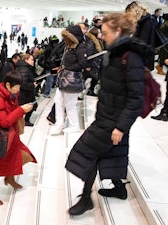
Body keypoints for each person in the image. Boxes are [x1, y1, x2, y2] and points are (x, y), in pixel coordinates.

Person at [65, 12, 153, 216]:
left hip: (113, 119)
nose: (101, 36)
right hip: (107, 115)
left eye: (104, 33)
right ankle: (119, 189)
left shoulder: (130, 57)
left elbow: (135, 98)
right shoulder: (115, 53)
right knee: (111, 153)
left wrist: (121, 127)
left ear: (118, 31)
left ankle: (86, 198)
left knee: (88, 153)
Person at [0, 72, 37, 205]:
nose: (19, 90)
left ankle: (9, 177)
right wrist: (21, 111)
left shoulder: (10, 95)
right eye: (17, 87)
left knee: (16, 156)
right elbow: (3, 122)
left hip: (11, 135)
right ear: (8, 85)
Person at [49, 25, 87, 135]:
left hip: (71, 79)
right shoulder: (69, 46)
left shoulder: (80, 47)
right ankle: (59, 124)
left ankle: (74, 125)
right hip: (64, 78)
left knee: (69, 104)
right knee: (58, 101)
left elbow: (82, 63)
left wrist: (67, 68)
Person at [16, 54, 38, 126]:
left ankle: (25, 121)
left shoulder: (25, 68)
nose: (33, 61)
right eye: (31, 60)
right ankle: (23, 122)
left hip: (26, 93)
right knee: (26, 107)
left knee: (32, 105)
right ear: (26, 60)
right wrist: (32, 85)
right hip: (24, 94)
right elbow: (23, 84)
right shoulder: (24, 69)